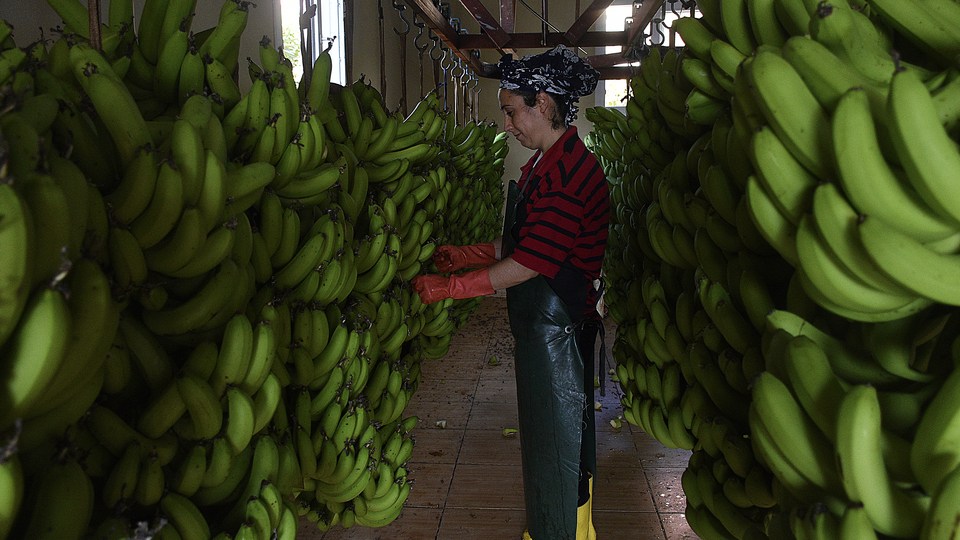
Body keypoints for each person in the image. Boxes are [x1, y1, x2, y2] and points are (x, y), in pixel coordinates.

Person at [411, 45, 609, 540]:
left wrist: (453, 289)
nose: (506, 124)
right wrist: (469, 254)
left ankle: (572, 533)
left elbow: (529, 263)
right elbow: (523, 240)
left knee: (563, 452)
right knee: (547, 447)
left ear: (543, 104)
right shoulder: (546, 163)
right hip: (543, 337)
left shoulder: (568, 175)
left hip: (562, 338)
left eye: (511, 110)